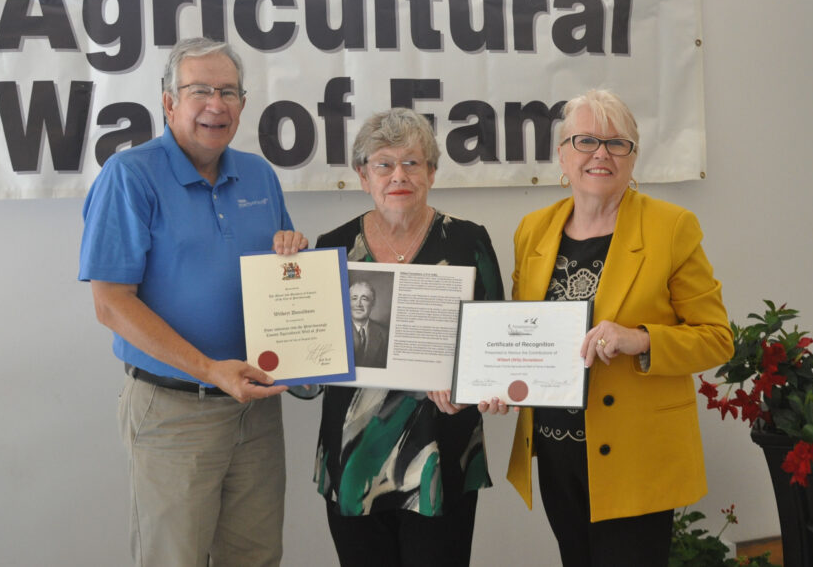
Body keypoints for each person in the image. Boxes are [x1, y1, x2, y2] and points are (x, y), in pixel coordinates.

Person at [78, 37, 307, 567]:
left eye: (229, 91)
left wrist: (293, 254)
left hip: (255, 410)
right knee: (172, 558)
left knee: (255, 556)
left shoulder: (259, 175)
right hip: (174, 410)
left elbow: (285, 274)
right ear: (167, 102)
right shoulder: (130, 176)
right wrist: (209, 369)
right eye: (199, 89)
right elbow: (110, 304)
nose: (216, 104)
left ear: (243, 105)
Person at [482, 90, 733, 566]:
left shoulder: (671, 227)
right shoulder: (533, 230)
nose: (601, 153)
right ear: (561, 154)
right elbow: (522, 333)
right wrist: (500, 382)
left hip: (636, 456)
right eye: (586, 140)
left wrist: (641, 339)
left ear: (633, 158)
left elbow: (717, 337)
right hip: (557, 452)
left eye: (617, 143)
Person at [313, 108, 504, 567]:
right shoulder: (331, 247)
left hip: (441, 451)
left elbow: (494, 343)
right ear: (363, 176)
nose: (398, 175)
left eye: (412, 163)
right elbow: (309, 364)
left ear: (432, 172)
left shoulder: (468, 242)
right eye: (383, 164)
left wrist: (471, 386)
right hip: (354, 459)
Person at [348, 279, 390, 369]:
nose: (358, 304)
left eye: (364, 299)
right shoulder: (337, 329)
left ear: (373, 303)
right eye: (354, 298)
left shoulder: (385, 334)